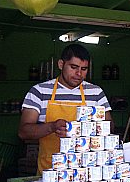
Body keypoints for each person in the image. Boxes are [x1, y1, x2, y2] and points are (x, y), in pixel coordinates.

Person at [19, 44, 112, 174]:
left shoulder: (95, 92)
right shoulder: (39, 91)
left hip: (87, 174)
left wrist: (77, 132)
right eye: (73, 67)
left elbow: (109, 128)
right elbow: (24, 132)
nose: (79, 74)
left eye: (84, 69)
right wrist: (52, 127)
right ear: (61, 64)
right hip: (50, 174)